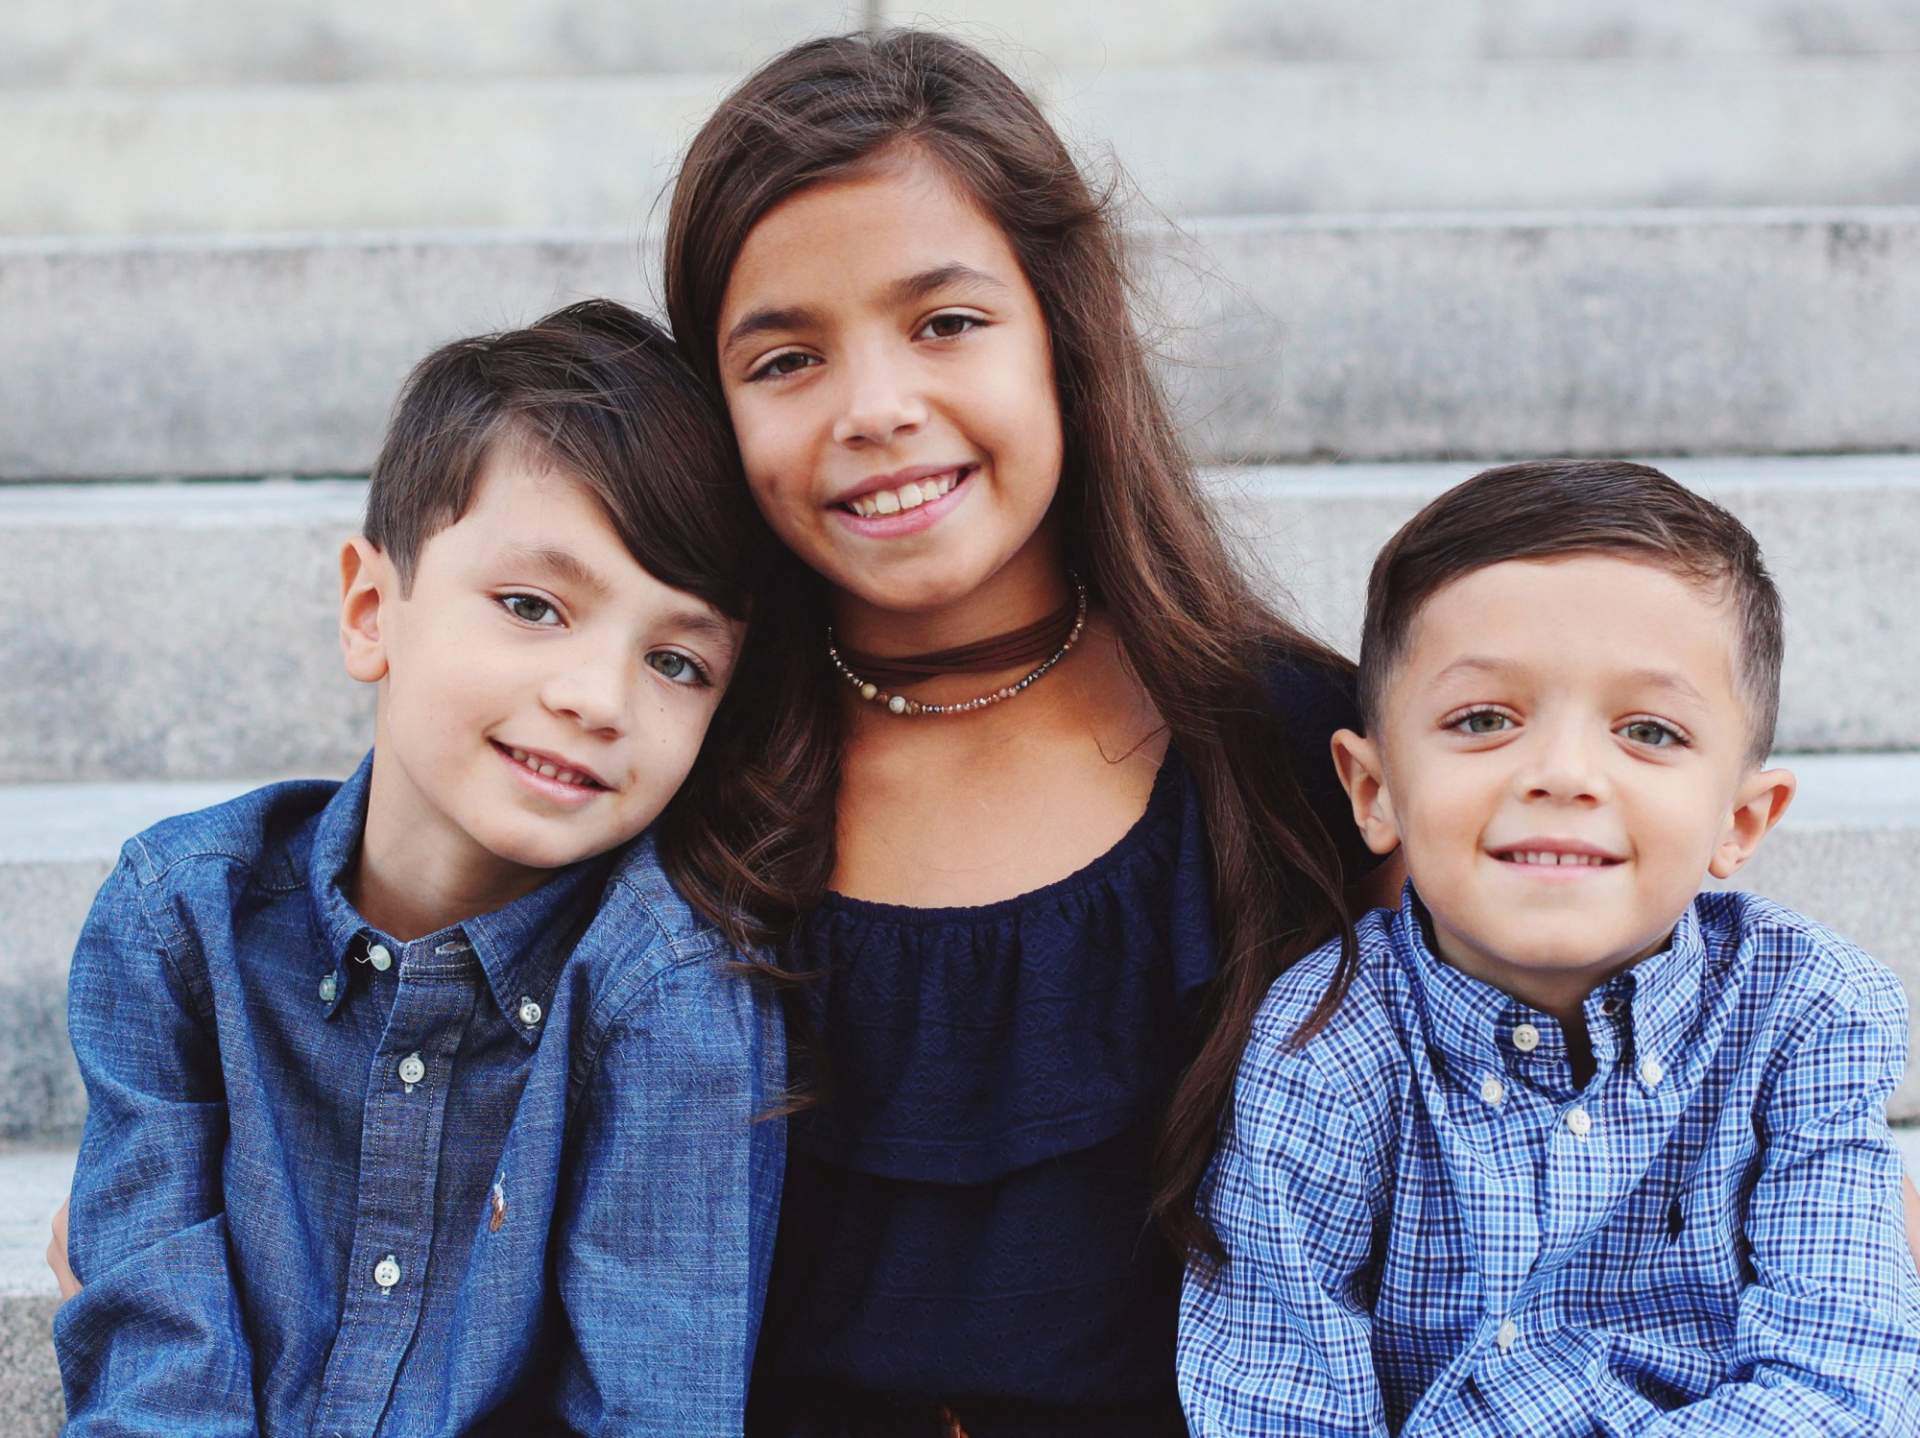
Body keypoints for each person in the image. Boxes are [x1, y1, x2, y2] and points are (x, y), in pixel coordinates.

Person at [660, 29, 1398, 1435]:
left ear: (1065, 328)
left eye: (945, 323)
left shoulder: (1304, 754)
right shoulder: (677, 764)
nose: (877, 409)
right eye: (786, 357)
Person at [50, 300, 784, 1435]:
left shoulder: (671, 997)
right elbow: (157, 1377)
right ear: (369, 609)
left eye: (678, 661)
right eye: (533, 605)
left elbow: (657, 1408)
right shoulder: (177, 924)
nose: (598, 696)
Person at [1178, 460, 1920, 1434]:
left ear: (1741, 819)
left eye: (1648, 731)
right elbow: (1276, 1404)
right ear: (1375, 791)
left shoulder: (1806, 1013)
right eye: (1483, 719)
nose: (1564, 773)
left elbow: (1844, 1381)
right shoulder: (1321, 1056)